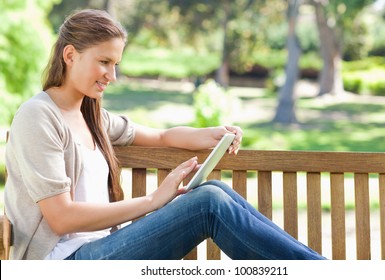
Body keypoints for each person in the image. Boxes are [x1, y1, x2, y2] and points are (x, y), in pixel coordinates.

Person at [4, 9, 326, 260]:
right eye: (104, 62)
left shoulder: (92, 117)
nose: (112, 76)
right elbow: (61, 218)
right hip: (64, 263)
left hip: (101, 250)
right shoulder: (38, 116)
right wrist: (153, 201)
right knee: (208, 203)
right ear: (70, 55)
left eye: (115, 64)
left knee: (213, 188)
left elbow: (159, 137)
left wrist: (211, 135)